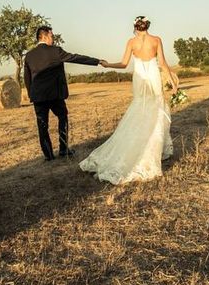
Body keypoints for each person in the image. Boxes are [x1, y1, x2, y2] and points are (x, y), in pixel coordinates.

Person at [79, 15, 178, 184]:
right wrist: (172, 82)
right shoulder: (156, 40)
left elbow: (124, 64)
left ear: (135, 27)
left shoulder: (131, 43)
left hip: (139, 78)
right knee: (156, 108)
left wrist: (108, 65)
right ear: (147, 25)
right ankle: (153, 150)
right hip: (153, 75)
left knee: (140, 107)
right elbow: (162, 63)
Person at [24, 26, 104, 161]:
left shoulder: (29, 55)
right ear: (44, 36)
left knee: (42, 124)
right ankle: (63, 148)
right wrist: (97, 61)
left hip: (38, 96)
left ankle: (48, 155)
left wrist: (31, 93)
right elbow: (75, 58)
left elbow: (27, 77)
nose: (53, 38)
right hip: (55, 94)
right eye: (52, 36)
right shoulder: (56, 51)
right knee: (63, 117)